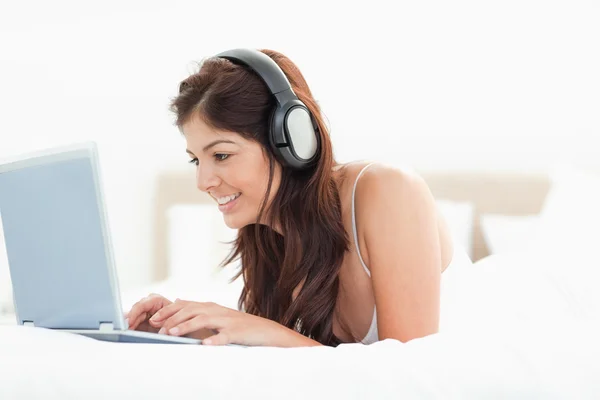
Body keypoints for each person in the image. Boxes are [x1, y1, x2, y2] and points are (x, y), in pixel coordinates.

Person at [124, 48, 472, 347]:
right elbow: (317, 358)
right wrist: (189, 327)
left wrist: (264, 331)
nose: (203, 181)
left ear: (291, 140)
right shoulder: (268, 240)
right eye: (195, 160)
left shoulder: (389, 190)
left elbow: (413, 369)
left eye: (222, 155)